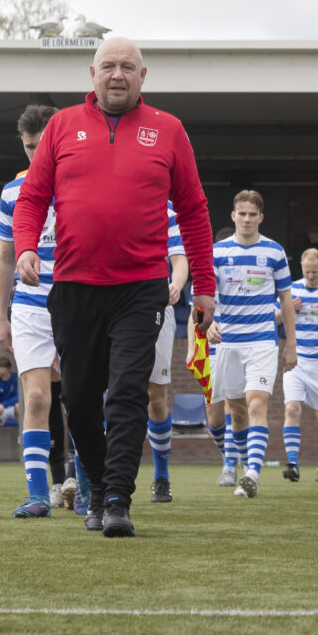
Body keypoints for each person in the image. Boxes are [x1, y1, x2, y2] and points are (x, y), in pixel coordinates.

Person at [12, 37, 216, 538]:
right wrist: (24, 248)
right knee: (78, 399)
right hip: (74, 286)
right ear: (92, 73)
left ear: (143, 76)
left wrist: (205, 286)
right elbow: (33, 196)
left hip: (140, 288)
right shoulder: (61, 126)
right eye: (109, 66)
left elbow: (193, 209)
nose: (118, 74)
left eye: (128, 66)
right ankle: (97, 489)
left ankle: (118, 499)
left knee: (126, 393)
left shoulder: (168, 130)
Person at [0, 105, 76, 517]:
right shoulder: (13, 192)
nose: (35, 152)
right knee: (38, 397)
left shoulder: (82, 182)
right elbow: (5, 257)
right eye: (29, 146)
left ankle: (89, 486)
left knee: (81, 398)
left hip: (79, 301)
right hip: (29, 307)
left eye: (42, 143)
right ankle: (39, 495)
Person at [207, 191, 296, 496]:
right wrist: (206, 323)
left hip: (262, 341)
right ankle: (242, 463)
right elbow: (204, 297)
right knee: (234, 410)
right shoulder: (217, 252)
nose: (246, 219)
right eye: (241, 214)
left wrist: (290, 344)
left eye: (252, 214)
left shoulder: (274, 252)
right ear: (233, 216)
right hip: (227, 342)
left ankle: (253, 474)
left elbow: (285, 300)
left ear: (261, 217)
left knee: (257, 402)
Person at [144, 203, 189, 503]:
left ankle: (161, 475)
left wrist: (176, 283)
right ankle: (100, 477)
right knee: (109, 393)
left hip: (155, 308)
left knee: (156, 399)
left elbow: (180, 259)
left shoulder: (167, 210)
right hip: (114, 305)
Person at [283, 249, 318, 481]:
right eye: (307, 272)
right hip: (296, 360)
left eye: (315, 272)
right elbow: (272, 317)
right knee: (291, 408)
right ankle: (292, 464)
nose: (310, 276)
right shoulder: (292, 290)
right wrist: (288, 310)